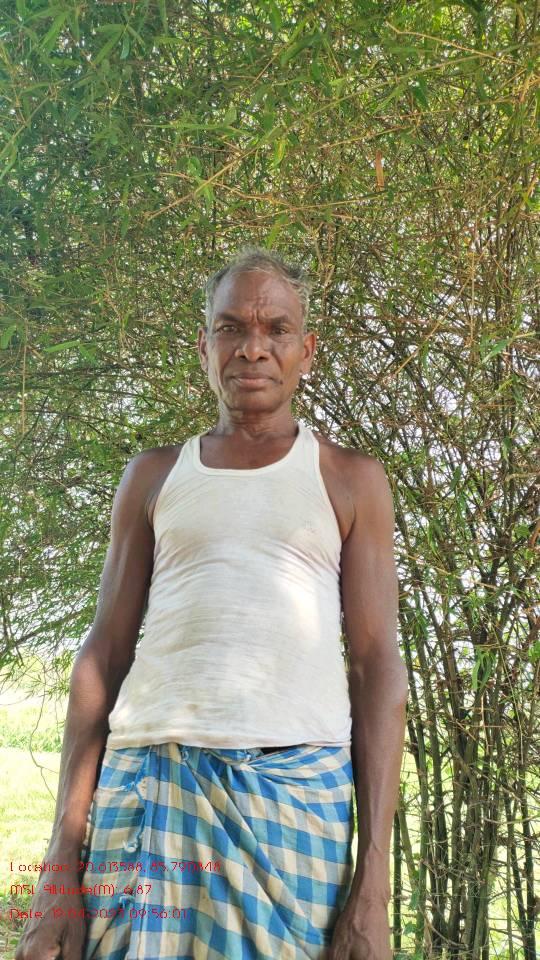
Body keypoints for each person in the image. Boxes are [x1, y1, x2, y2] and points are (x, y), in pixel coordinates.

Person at [15, 246, 408, 960]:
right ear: (204, 346)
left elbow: (378, 666)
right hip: (148, 787)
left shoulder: (350, 480)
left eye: (276, 329)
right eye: (231, 328)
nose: (253, 348)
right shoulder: (154, 476)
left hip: (293, 803)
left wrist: (374, 885)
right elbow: (103, 655)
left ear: (307, 350)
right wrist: (59, 866)